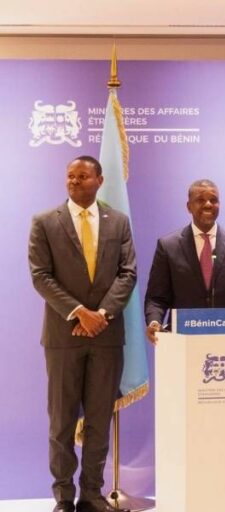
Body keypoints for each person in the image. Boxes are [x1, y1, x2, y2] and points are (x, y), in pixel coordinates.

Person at [28, 156, 137, 512]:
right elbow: (41, 275)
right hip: (63, 337)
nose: (75, 181)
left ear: (99, 181)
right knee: (61, 423)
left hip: (106, 335)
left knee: (99, 421)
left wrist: (101, 314)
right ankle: (63, 497)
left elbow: (128, 273)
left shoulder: (118, 222)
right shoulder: (45, 222)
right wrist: (79, 312)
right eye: (71, 176)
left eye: (83, 176)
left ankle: (92, 494)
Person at [144, 179, 225, 343]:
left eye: (213, 200)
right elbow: (156, 298)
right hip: (182, 341)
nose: (208, 204)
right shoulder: (168, 246)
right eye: (200, 200)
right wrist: (154, 322)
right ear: (188, 206)